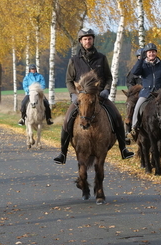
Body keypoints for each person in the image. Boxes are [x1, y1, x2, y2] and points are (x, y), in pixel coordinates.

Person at [53, 28, 135, 164]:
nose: (88, 41)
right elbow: (68, 80)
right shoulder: (74, 60)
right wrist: (74, 94)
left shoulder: (101, 58)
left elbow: (108, 77)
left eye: (90, 38)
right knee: (67, 119)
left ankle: (123, 149)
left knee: (116, 116)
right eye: (85, 39)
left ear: (93, 40)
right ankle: (63, 152)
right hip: (81, 98)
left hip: (99, 97)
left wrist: (106, 90)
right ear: (81, 41)